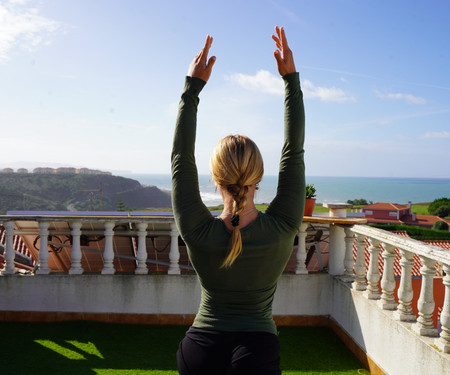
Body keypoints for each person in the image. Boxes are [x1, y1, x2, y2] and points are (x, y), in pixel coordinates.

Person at [171, 26, 305, 375]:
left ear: (217, 180)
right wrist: (290, 80)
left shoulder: (198, 230)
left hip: (199, 349)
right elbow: (294, 150)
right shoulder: (281, 226)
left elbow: (180, 159)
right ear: (257, 177)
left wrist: (192, 87)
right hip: (257, 349)